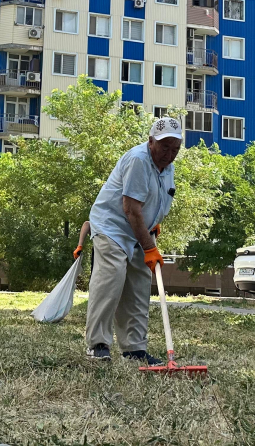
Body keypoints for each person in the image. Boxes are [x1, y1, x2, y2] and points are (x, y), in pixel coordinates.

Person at [83, 117, 182, 364]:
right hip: (113, 226)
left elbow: (157, 198)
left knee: (139, 286)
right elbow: (130, 208)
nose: (169, 155)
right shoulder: (139, 159)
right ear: (151, 142)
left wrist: (154, 223)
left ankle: (134, 350)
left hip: (140, 230)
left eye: (175, 150)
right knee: (112, 278)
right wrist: (149, 247)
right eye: (164, 148)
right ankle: (97, 345)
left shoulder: (167, 165)